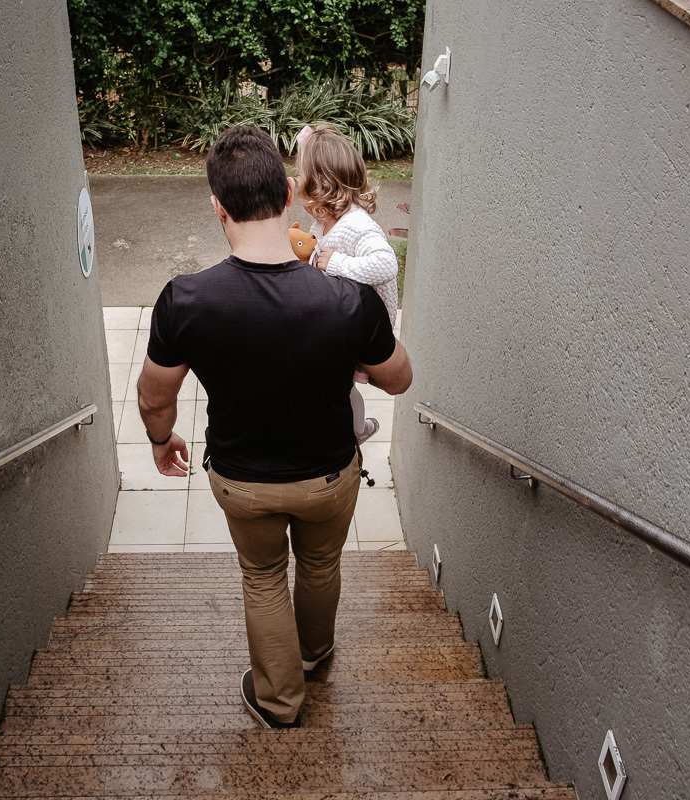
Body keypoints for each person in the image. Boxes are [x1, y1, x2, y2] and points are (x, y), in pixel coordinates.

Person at [136, 125, 412, 728]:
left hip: (244, 480)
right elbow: (398, 379)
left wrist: (163, 441)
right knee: (320, 567)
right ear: (289, 192)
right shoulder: (346, 300)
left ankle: (280, 701)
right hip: (329, 475)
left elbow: (154, 396)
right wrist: (355, 348)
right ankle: (315, 656)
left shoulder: (184, 300)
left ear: (218, 207)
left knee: (263, 577)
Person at [295, 123, 399, 444]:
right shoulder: (324, 222)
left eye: (301, 176)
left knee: (344, 388)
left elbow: (386, 263)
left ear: (319, 185)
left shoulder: (356, 224)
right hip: (342, 319)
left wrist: (337, 263)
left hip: (365, 330)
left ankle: (358, 430)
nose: (297, 182)